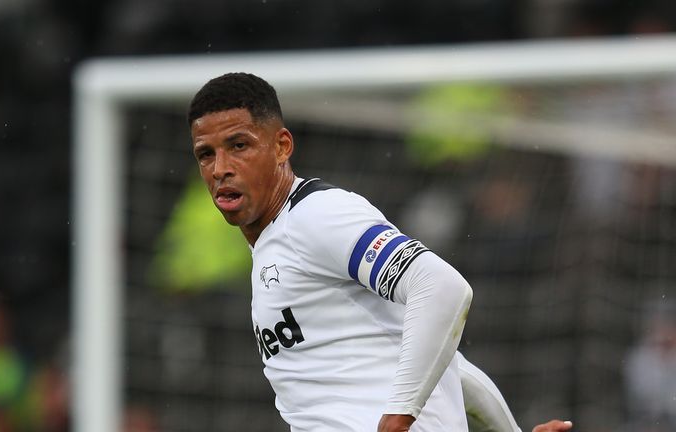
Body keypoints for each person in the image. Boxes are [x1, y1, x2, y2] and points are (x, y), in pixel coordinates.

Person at [187, 72, 572, 432]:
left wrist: (397, 417)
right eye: (206, 154)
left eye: (239, 146)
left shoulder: (317, 216)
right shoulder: (275, 246)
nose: (221, 168)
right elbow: (452, 369)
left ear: (281, 146)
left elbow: (442, 287)